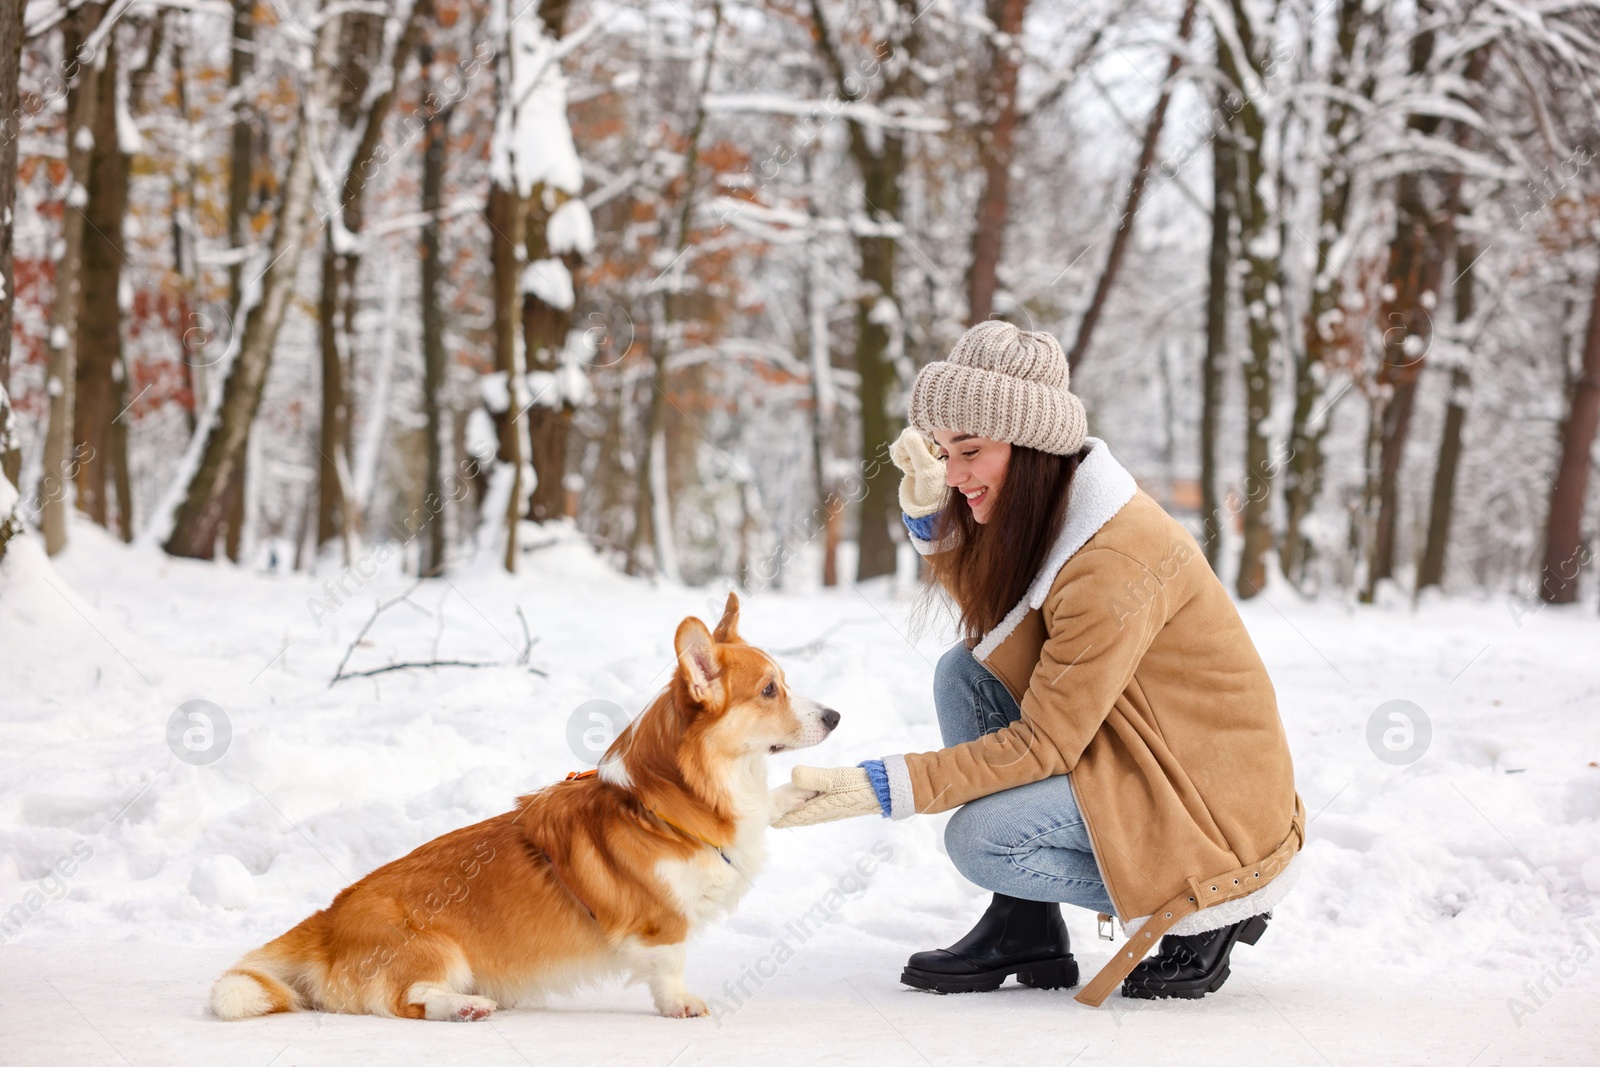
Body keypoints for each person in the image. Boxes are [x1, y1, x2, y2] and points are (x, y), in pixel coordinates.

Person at [775, 321, 1305, 1005]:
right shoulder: (1064, 510)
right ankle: (1026, 922)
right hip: (1140, 752)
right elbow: (1005, 636)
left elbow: (1047, 742)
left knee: (980, 839)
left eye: (970, 451)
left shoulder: (1112, 558)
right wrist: (929, 520)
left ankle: (1207, 902)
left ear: (1031, 447)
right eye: (943, 452)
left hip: (1209, 804)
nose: (954, 474)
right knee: (964, 672)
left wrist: (882, 786)